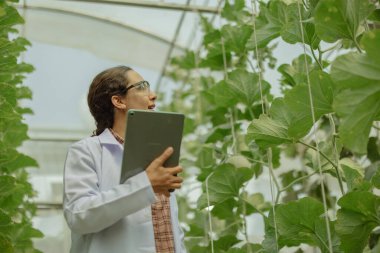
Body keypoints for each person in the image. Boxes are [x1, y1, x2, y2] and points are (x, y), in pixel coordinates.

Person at [63, 66, 186, 253]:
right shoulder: (85, 151)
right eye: (142, 86)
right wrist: (145, 185)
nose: (153, 95)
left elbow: (170, 227)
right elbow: (79, 216)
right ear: (118, 101)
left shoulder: (157, 156)